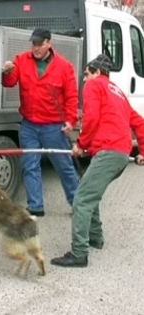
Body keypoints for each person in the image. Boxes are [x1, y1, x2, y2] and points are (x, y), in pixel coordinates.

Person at [51, 54, 144, 268]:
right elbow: (139, 122)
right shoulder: (117, 91)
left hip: (108, 152)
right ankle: (95, 237)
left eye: (86, 74)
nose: (84, 79)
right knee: (90, 193)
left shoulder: (94, 86)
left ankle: (79, 253)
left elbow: (91, 118)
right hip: (119, 153)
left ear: (97, 72)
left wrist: (81, 144)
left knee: (81, 199)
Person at [2, 26, 80, 217]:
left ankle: (78, 205)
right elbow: (10, 82)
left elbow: (71, 97)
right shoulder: (22, 60)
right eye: (33, 44)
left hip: (54, 126)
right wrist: (6, 72)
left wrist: (70, 121)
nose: (35, 48)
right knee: (30, 166)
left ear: (48, 43)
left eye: (39, 44)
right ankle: (35, 206)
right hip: (29, 124)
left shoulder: (64, 67)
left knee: (64, 167)